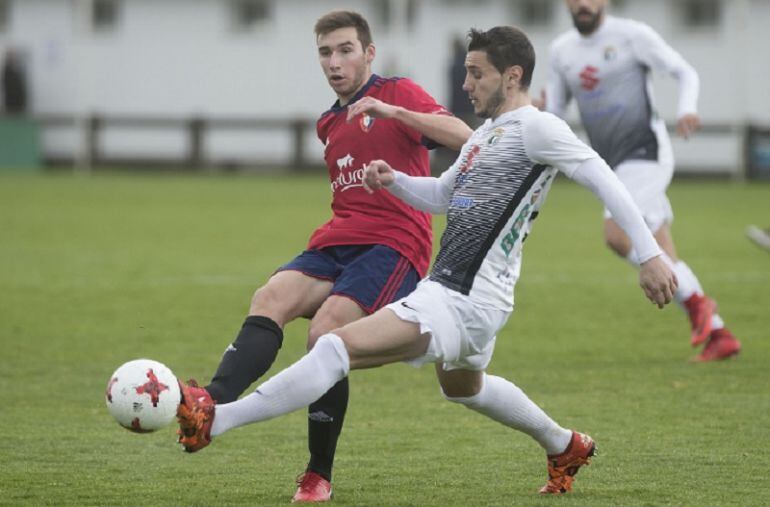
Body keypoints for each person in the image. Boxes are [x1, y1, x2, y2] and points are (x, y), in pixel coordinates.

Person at [176, 26, 678, 499]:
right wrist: (393, 179)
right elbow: (442, 194)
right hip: (475, 297)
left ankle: (217, 420)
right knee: (465, 388)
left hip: (460, 297)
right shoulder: (485, 136)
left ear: (513, 76)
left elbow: (601, 175)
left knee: (333, 348)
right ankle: (565, 444)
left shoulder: (537, 128)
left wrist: (649, 255)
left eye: (476, 73)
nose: (466, 84)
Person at [177, 10, 472, 503]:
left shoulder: (397, 92)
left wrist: (395, 113)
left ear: (368, 53)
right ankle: (210, 403)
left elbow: (464, 137)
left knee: (325, 332)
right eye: (325, 52)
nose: (334, 62)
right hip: (336, 240)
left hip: (394, 244)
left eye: (345, 50)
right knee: (270, 296)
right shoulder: (329, 122)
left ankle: (318, 474)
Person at [540, 0, 740, 362]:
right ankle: (718, 334)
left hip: (646, 153)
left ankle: (698, 303)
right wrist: (538, 113)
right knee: (662, 245)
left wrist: (687, 108)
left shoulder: (632, 35)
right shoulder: (560, 51)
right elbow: (555, 113)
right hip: (611, 163)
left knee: (617, 235)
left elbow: (684, 72)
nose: (584, 4)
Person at [2, 48, 28, 115]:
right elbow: (7, 84)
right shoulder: (7, 69)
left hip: (17, 100)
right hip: (11, 100)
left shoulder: (16, 69)